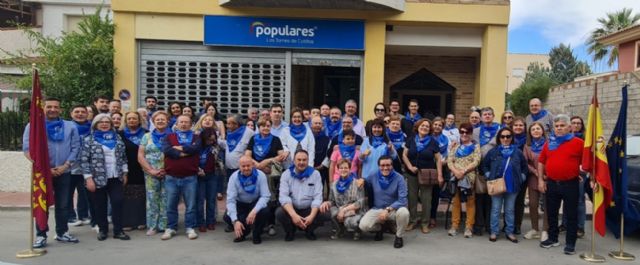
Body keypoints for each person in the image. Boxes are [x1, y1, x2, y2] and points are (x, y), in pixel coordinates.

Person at [23, 98, 81, 248]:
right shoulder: (34, 126)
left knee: (63, 205)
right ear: (43, 108)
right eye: (49, 106)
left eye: (56, 107)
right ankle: (41, 235)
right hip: (42, 174)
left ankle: (62, 233)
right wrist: (45, 169)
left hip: (64, 171)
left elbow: (76, 148)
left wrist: (66, 165)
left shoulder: (70, 126)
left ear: (60, 109)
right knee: (42, 205)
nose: (53, 109)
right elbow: (27, 150)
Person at [538, 114, 584, 255]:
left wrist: (584, 174)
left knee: (571, 214)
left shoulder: (578, 143)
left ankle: (570, 243)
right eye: (556, 126)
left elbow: (587, 162)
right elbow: (541, 161)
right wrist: (540, 179)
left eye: (562, 126)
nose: (559, 128)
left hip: (570, 184)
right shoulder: (549, 143)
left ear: (569, 128)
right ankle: (553, 238)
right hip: (552, 183)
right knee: (551, 213)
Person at [80, 113, 130, 241]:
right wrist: (88, 178)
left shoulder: (117, 138)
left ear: (111, 124)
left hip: (116, 176)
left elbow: (123, 157)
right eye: (101, 122)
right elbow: (84, 161)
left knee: (118, 202)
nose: (104, 124)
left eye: (107, 122)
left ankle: (118, 230)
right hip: (97, 177)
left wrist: (124, 172)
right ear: (95, 125)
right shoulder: (89, 140)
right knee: (100, 204)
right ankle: (103, 230)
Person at [482, 127, 527, 243]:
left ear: (512, 138)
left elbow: (524, 167)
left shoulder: (517, 152)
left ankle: (509, 232)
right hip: (497, 184)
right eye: (503, 136)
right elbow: (484, 165)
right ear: (499, 138)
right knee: (496, 209)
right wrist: (488, 174)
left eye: (508, 136)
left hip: (512, 185)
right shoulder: (493, 151)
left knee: (510, 210)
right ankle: (494, 232)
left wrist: (522, 176)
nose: (505, 139)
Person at [160, 115, 202, 240]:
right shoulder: (169, 136)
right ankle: (171, 228)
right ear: (176, 124)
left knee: (190, 205)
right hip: (171, 177)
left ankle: (190, 227)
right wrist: (186, 152)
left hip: (190, 177)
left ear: (191, 124)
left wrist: (178, 149)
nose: (183, 124)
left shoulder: (197, 137)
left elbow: (196, 148)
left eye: (186, 122)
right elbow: (167, 150)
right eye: (181, 122)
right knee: (171, 205)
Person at [276, 150, 330, 241]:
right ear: (294, 161)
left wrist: (312, 216)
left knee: (326, 213)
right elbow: (284, 197)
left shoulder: (315, 174)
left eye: (304, 160)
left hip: (309, 209)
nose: (301, 162)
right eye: (299, 160)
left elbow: (317, 197)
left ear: (308, 161)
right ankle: (290, 231)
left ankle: (309, 230)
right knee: (279, 212)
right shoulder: (286, 174)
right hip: (293, 208)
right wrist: (294, 215)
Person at [244, 118, 286, 236]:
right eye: (263, 126)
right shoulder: (253, 139)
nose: (266, 128)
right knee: (258, 198)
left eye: (268, 125)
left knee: (271, 200)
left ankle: (271, 224)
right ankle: (260, 224)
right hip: (256, 173)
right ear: (259, 127)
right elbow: (247, 155)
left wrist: (266, 161)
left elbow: (281, 156)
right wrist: (258, 166)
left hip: (271, 175)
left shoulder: (276, 140)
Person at [402, 118, 443, 234]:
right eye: (422, 125)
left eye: (427, 126)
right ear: (418, 127)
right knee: (412, 199)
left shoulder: (433, 142)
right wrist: (410, 166)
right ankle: (412, 221)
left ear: (429, 129)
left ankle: (425, 223)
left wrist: (439, 175)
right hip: (412, 174)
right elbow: (404, 155)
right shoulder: (411, 140)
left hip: (427, 175)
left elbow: (438, 159)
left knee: (426, 200)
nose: (424, 127)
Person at [358, 156, 409, 248]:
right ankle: (380, 228)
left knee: (404, 212)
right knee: (363, 226)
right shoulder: (373, 175)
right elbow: (365, 181)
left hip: (393, 209)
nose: (385, 168)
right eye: (382, 165)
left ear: (392, 166)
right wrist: (362, 180)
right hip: (377, 208)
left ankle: (399, 236)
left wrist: (388, 210)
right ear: (378, 166)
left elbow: (402, 199)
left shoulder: (399, 178)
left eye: (388, 165)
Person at [224, 156, 272, 244]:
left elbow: (265, 196)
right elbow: (231, 200)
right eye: (243, 166)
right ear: (239, 166)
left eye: (248, 166)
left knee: (265, 211)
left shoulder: (261, 175)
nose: (246, 168)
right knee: (227, 217)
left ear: (253, 165)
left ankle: (256, 233)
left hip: (255, 203)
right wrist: (235, 221)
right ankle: (243, 233)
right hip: (241, 204)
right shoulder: (233, 178)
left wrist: (254, 211)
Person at [137, 111, 169, 236]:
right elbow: (140, 155)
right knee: (152, 199)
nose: (160, 121)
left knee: (166, 199)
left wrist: (166, 170)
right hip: (150, 172)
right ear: (153, 122)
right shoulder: (146, 136)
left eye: (163, 119)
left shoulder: (173, 136)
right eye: (157, 119)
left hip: (169, 172)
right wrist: (151, 170)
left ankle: (165, 225)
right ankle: (152, 226)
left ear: (167, 121)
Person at [446, 123, 481, 238]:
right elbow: (449, 160)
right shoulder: (455, 146)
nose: (464, 134)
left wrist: (464, 171)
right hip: (455, 177)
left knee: (470, 203)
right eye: (462, 132)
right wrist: (456, 172)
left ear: (471, 133)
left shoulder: (476, 147)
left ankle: (469, 227)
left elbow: (476, 161)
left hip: (469, 178)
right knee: (456, 202)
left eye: (467, 132)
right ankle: (454, 225)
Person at [472, 107, 500, 236]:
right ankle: (479, 225)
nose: (487, 116)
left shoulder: (499, 130)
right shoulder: (476, 131)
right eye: (485, 114)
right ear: (481, 117)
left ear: (493, 116)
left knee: (491, 198)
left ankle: (490, 225)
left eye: (489, 114)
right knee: (479, 198)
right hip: (479, 168)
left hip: (494, 169)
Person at [119, 111, 148, 231]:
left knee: (142, 195)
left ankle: (141, 220)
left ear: (139, 120)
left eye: (134, 119)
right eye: (129, 119)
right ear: (125, 120)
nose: (132, 121)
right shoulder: (120, 134)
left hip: (143, 168)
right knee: (127, 196)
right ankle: (127, 221)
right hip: (126, 168)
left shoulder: (146, 134)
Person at [326, 159, 365, 240]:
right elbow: (331, 201)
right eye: (341, 168)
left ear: (350, 169)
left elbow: (360, 202)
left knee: (350, 222)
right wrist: (326, 203)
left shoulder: (357, 183)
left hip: (354, 210)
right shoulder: (334, 184)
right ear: (338, 169)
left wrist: (344, 210)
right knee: (333, 211)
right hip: (340, 209)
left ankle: (357, 231)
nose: (343, 170)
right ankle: (340, 230)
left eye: (346, 168)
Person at [522, 121, 549, 241]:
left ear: (542, 130)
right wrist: (535, 171)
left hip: (547, 177)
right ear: (530, 132)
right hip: (533, 177)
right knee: (533, 204)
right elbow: (525, 162)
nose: (536, 131)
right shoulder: (527, 146)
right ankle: (535, 229)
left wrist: (544, 173)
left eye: (538, 128)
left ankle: (545, 230)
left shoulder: (549, 144)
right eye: (533, 129)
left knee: (547, 205)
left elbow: (552, 159)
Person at [68, 105, 92, 227]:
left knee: (84, 193)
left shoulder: (92, 127)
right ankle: (70, 216)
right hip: (69, 166)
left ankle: (83, 215)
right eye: (77, 112)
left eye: (83, 112)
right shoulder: (67, 127)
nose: (80, 114)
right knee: (68, 193)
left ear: (87, 114)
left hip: (85, 167)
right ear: (71, 114)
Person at [220, 114, 254, 200]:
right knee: (232, 193)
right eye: (227, 123)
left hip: (242, 169)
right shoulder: (229, 133)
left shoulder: (248, 132)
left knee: (243, 193)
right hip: (229, 169)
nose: (229, 126)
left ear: (238, 124)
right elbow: (227, 146)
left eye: (231, 123)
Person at [196, 127, 221, 232]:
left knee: (211, 200)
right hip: (199, 176)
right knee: (200, 201)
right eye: (209, 139)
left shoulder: (215, 147)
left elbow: (218, 161)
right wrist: (197, 169)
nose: (211, 141)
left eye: (213, 139)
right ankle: (201, 222)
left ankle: (210, 221)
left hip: (212, 176)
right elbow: (191, 160)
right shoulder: (197, 147)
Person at [430, 117, 450, 229]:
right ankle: (425, 216)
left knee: (435, 194)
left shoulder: (445, 139)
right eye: (435, 124)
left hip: (441, 168)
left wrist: (444, 162)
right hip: (428, 168)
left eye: (440, 125)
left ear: (442, 127)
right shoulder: (427, 137)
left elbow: (448, 154)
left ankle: (433, 217)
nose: (437, 126)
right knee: (426, 195)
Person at [512, 117, 528, 234]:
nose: (518, 127)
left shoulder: (529, 140)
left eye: (520, 125)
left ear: (525, 127)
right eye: (516, 125)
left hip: (522, 173)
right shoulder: (507, 138)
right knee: (508, 200)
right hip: (508, 173)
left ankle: (517, 224)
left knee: (519, 200)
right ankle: (508, 223)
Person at [310, 116, 331, 198]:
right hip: (309, 167)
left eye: (319, 123)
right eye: (316, 123)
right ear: (311, 125)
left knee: (321, 188)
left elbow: (329, 154)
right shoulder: (307, 137)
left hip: (323, 168)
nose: (318, 125)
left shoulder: (327, 139)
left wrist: (321, 166)